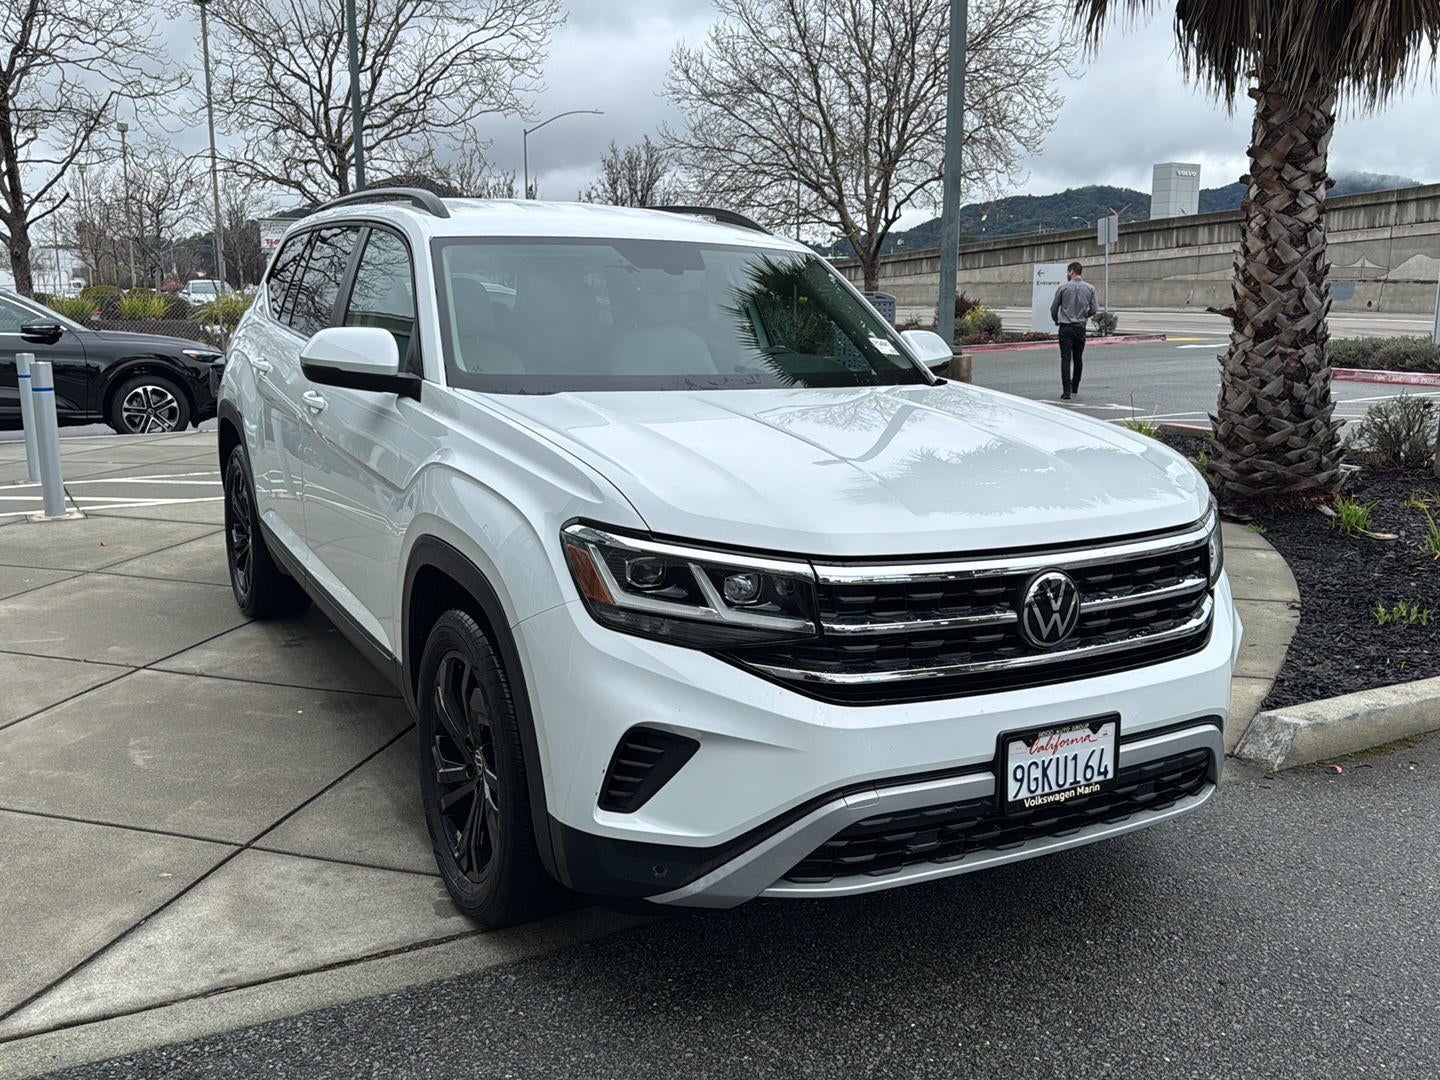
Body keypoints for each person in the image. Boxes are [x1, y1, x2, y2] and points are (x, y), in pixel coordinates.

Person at [1050, 261, 1099, 400]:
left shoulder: (1062, 288)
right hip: (1080, 327)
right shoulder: (1090, 288)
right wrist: (1084, 315)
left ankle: (1066, 391)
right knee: (1078, 358)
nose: (1067, 274)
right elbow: (1094, 309)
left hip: (1065, 327)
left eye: (1067, 272)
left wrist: (1056, 320)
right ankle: (1075, 386)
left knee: (1065, 359)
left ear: (1072, 272)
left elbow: (1054, 308)